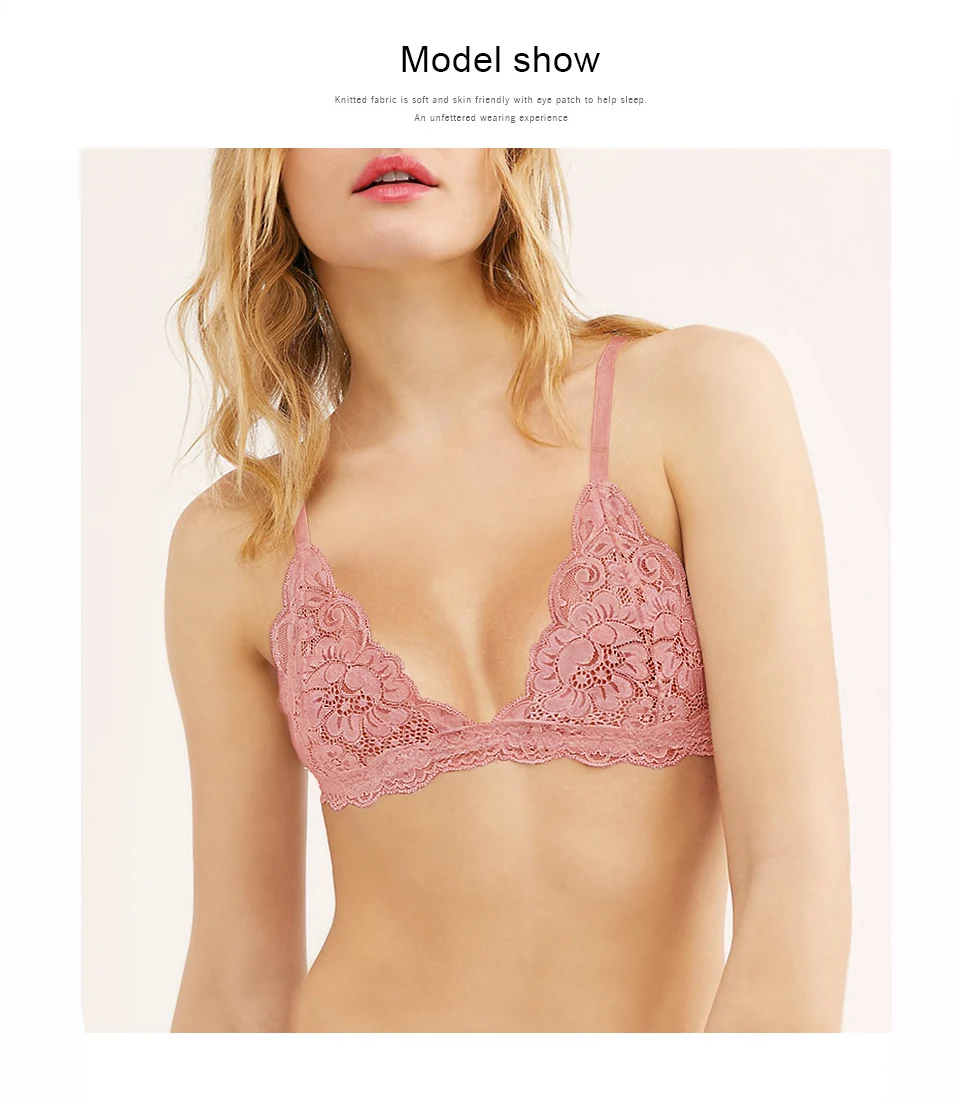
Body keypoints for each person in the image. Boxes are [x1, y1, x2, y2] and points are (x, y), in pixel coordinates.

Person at [165, 147, 851, 1032]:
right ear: (268, 163)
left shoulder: (698, 400)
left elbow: (796, 877)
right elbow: (236, 984)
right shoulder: (236, 542)